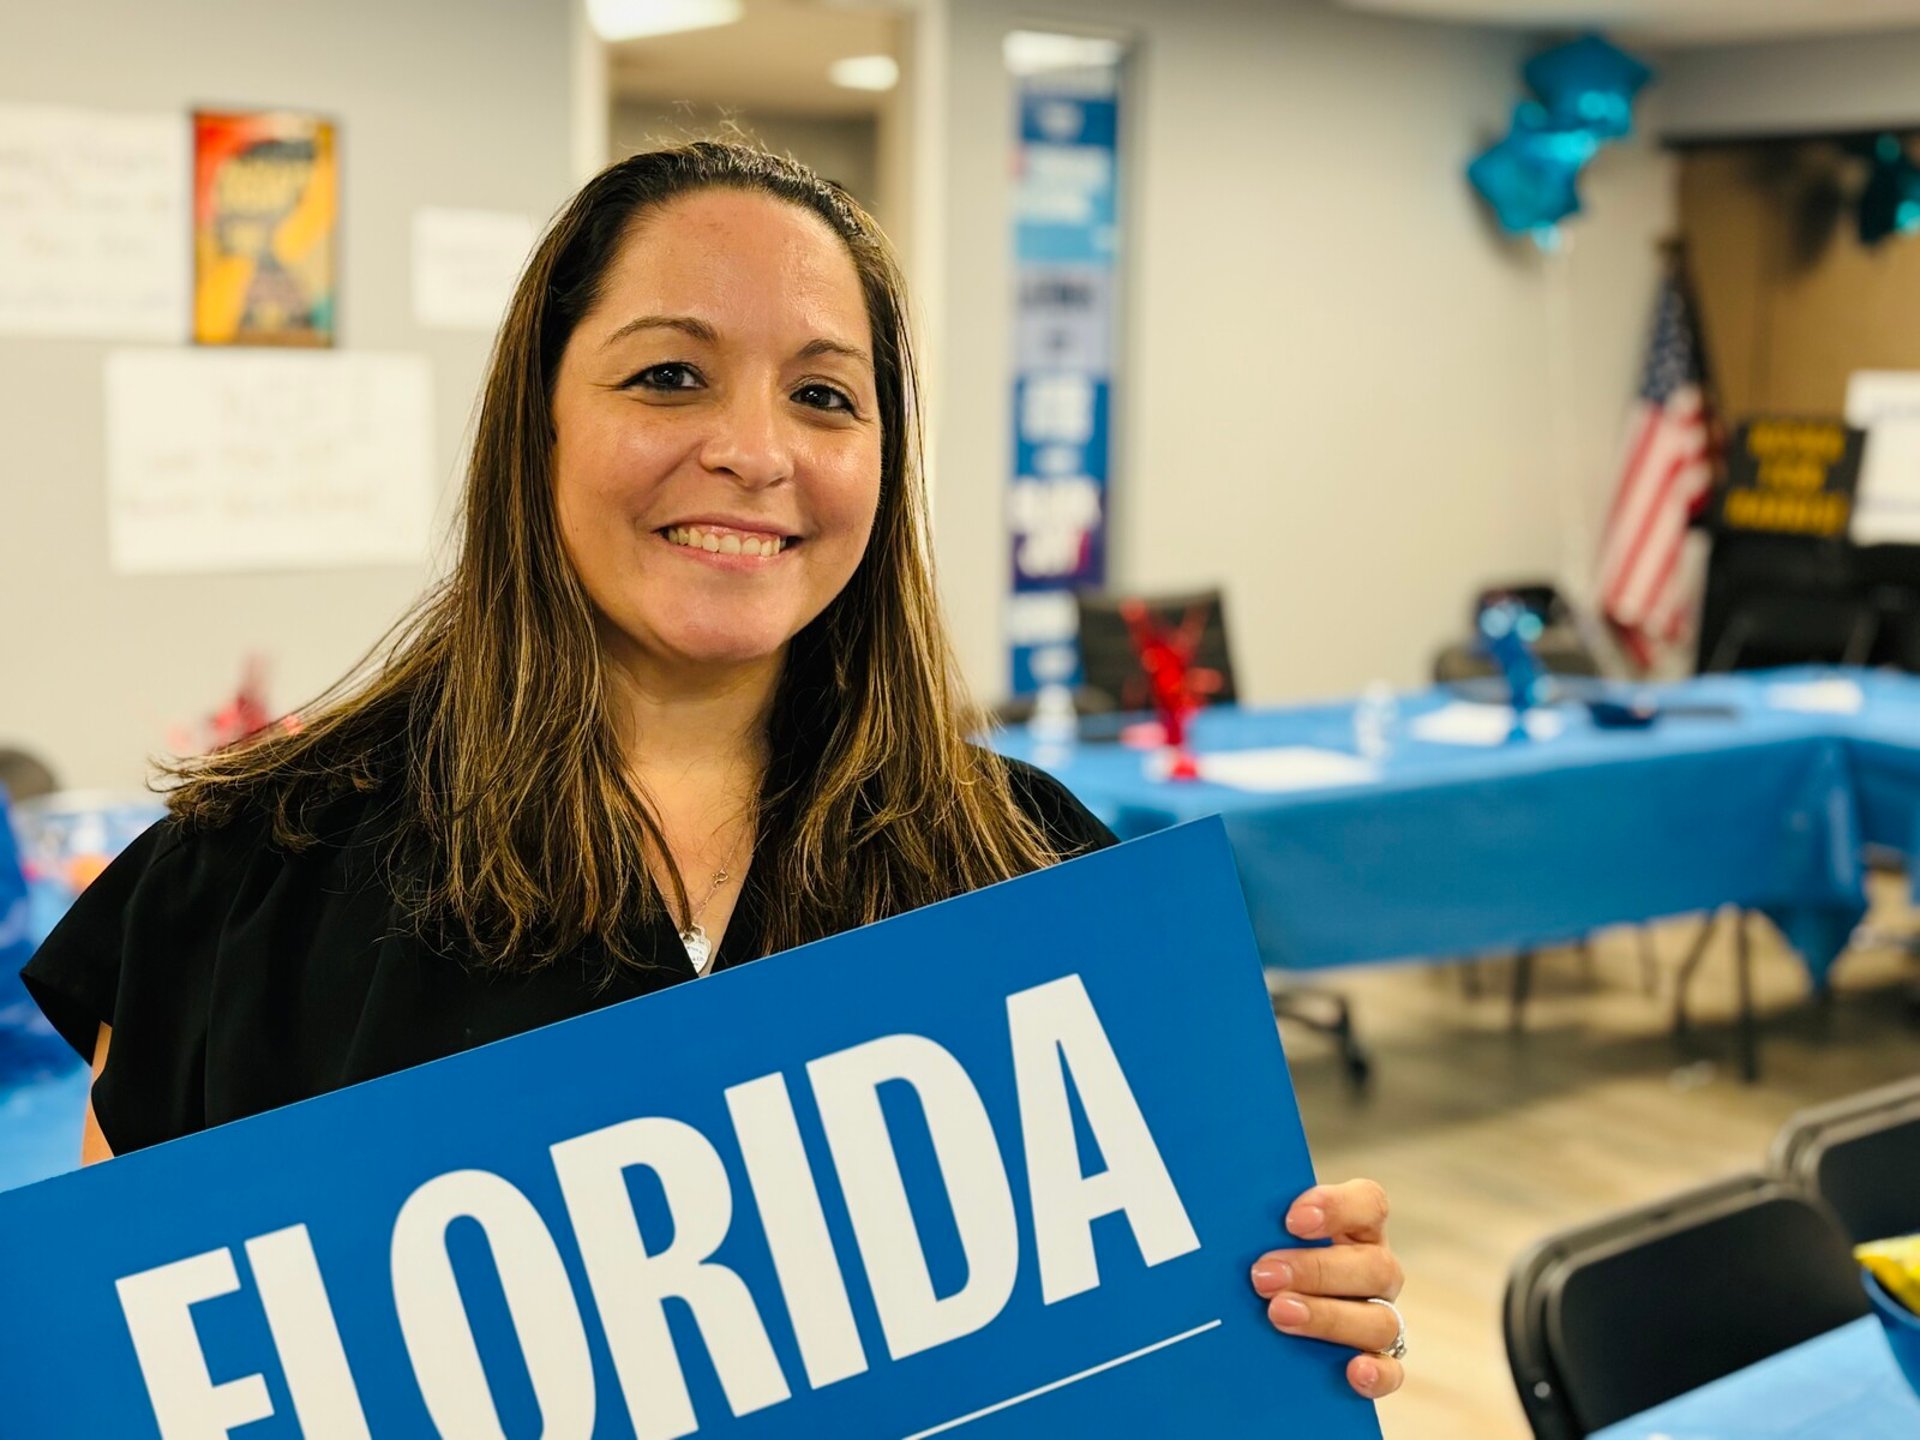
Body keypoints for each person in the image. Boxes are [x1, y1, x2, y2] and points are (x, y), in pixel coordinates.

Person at [22, 142, 1405, 1398]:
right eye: (668, 374)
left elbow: (1143, 1352)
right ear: (539, 422)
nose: (753, 451)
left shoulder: (1036, 872)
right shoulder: (247, 885)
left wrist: (1286, 1300)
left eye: (823, 394)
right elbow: (121, 1379)